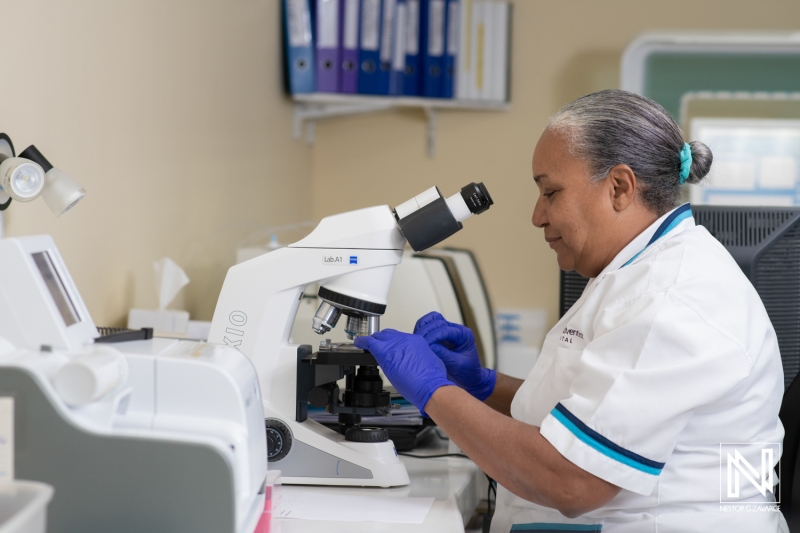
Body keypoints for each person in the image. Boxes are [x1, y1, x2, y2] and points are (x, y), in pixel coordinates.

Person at [354, 89, 786, 532]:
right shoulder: (638, 273)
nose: (537, 216)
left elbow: (572, 481)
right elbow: (589, 408)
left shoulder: (668, 298)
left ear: (619, 187)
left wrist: (435, 394)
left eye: (551, 192)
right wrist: (482, 386)